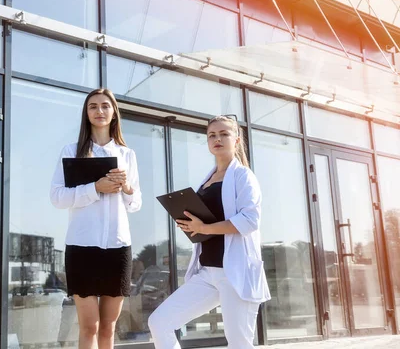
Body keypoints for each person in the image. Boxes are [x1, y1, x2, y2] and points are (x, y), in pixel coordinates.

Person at [148, 115, 270, 349]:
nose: (217, 139)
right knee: (159, 322)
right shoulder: (207, 181)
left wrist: (204, 227)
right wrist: (191, 224)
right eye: (212, 135)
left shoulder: (244, 176)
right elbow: (207, 223)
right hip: (207, 273)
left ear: (237, 139)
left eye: (224, 134)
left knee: (239, 344)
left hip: (235, 273)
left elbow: (250, 220)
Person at [50, 88, 142, 349]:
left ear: (114, 113)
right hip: (82, 247)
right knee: (89, 325)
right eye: (93, 106)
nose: (99, 111)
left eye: (105, 106)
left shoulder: (128, 155)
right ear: (86, 113)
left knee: (109, 327)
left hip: (118, 247)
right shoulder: (71, 152)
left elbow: (135, 204)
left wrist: (126, 188)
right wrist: (95, 189)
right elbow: (57, 198)